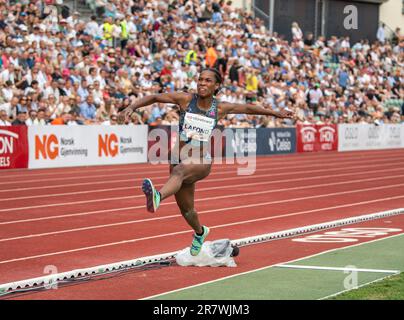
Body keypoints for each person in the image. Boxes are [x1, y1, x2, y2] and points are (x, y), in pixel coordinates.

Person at [119, 68, 294, 256]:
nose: (202, 83)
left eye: (208, 80)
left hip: (201, 161)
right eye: (200, 79)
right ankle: (200, 233)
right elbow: (154, 97)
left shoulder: (220, 108)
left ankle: (158, 197)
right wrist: (131, 107)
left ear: (216, 85)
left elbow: (249, 108)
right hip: (180, 158)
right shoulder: (185, 99)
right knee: (187, 211)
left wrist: (276, 114)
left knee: (179, 171)